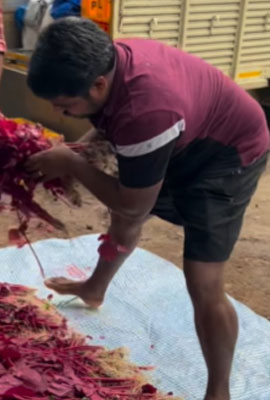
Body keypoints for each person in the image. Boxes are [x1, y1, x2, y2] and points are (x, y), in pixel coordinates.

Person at [25, 18, 269, 400]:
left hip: (228, 154)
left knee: (202, 278)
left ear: (99, 84)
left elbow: (133, 206)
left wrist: (72, 164)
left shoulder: (146, 113)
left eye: (66, 106)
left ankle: (219, 390)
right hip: (184, 131)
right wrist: (80, 150)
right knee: (125, 210)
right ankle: (95, 289)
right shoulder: (107, 60)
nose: (63, 115)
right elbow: (111, 127)